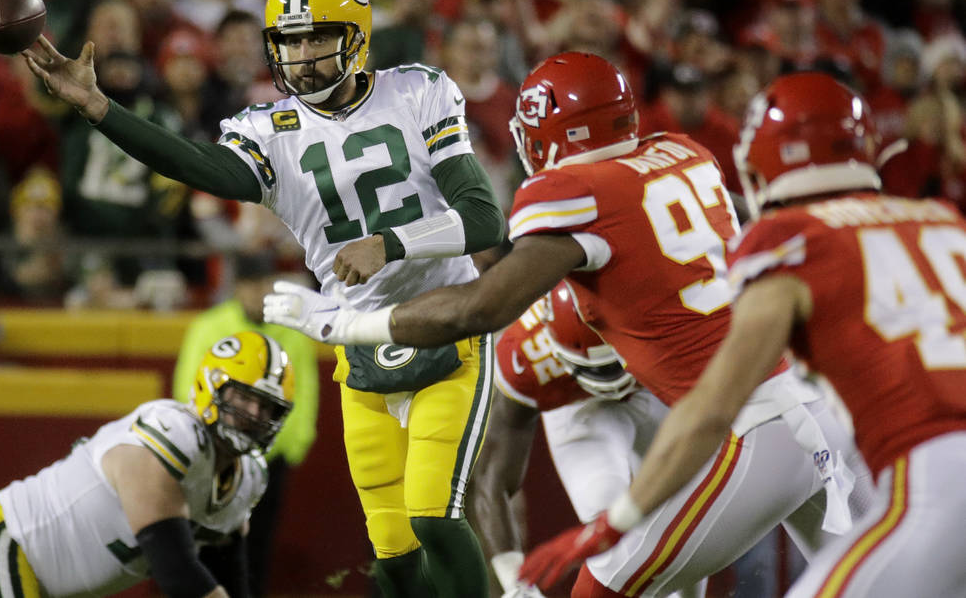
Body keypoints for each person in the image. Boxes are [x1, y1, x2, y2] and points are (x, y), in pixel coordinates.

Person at [263, 52, 873, 596]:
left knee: (601, 587)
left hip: (755, 428)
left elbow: (480, 307)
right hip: (809, 404)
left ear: (554, 136)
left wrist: (349, 325)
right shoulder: (685, 152)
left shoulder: (576, 192)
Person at [21, 0, 506, 598]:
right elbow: (196, 164)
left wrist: (389, 243)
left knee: (433, 519)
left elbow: (483, 217)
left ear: (357, 36)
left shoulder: (418, 91)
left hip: (448, 324)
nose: (302, 57)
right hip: (360, 343)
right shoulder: (269, 131)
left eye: (316, 38)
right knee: (392, 552)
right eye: (290, 41)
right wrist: (99, 109)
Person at [516, 71, 966, 597]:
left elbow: (712, 409)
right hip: (850, 443)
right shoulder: (941, 217)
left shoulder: (790, 241)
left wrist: (616, 519)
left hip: (921, 476)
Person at [0, 331, 296, 598]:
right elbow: (177, 572)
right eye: (244, 397)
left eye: (267, 408)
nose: (253, 415)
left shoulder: (248, 479)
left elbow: (229, 582)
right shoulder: (173, 433)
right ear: (211, 387)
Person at [469, 282, 706, 598]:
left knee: (689, 510)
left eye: (610, 366)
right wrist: (515, 585)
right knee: (610, 530)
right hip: (576, 405)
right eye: (598, 369)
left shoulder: (665, 311)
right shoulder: (523, 353)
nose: (609, 383)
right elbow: (491, 481)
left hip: (652, 383)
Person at [173, 253, 319, 597]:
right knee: (203, 546)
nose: (259, 292)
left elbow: (304, 395)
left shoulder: (293, 333)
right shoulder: (208, 326)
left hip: (268, 461)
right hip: (213, 458)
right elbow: (189, 388)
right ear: (236, 287)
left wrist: (287, 449)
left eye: (265, 283)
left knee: (257, 548)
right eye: (252, 284)